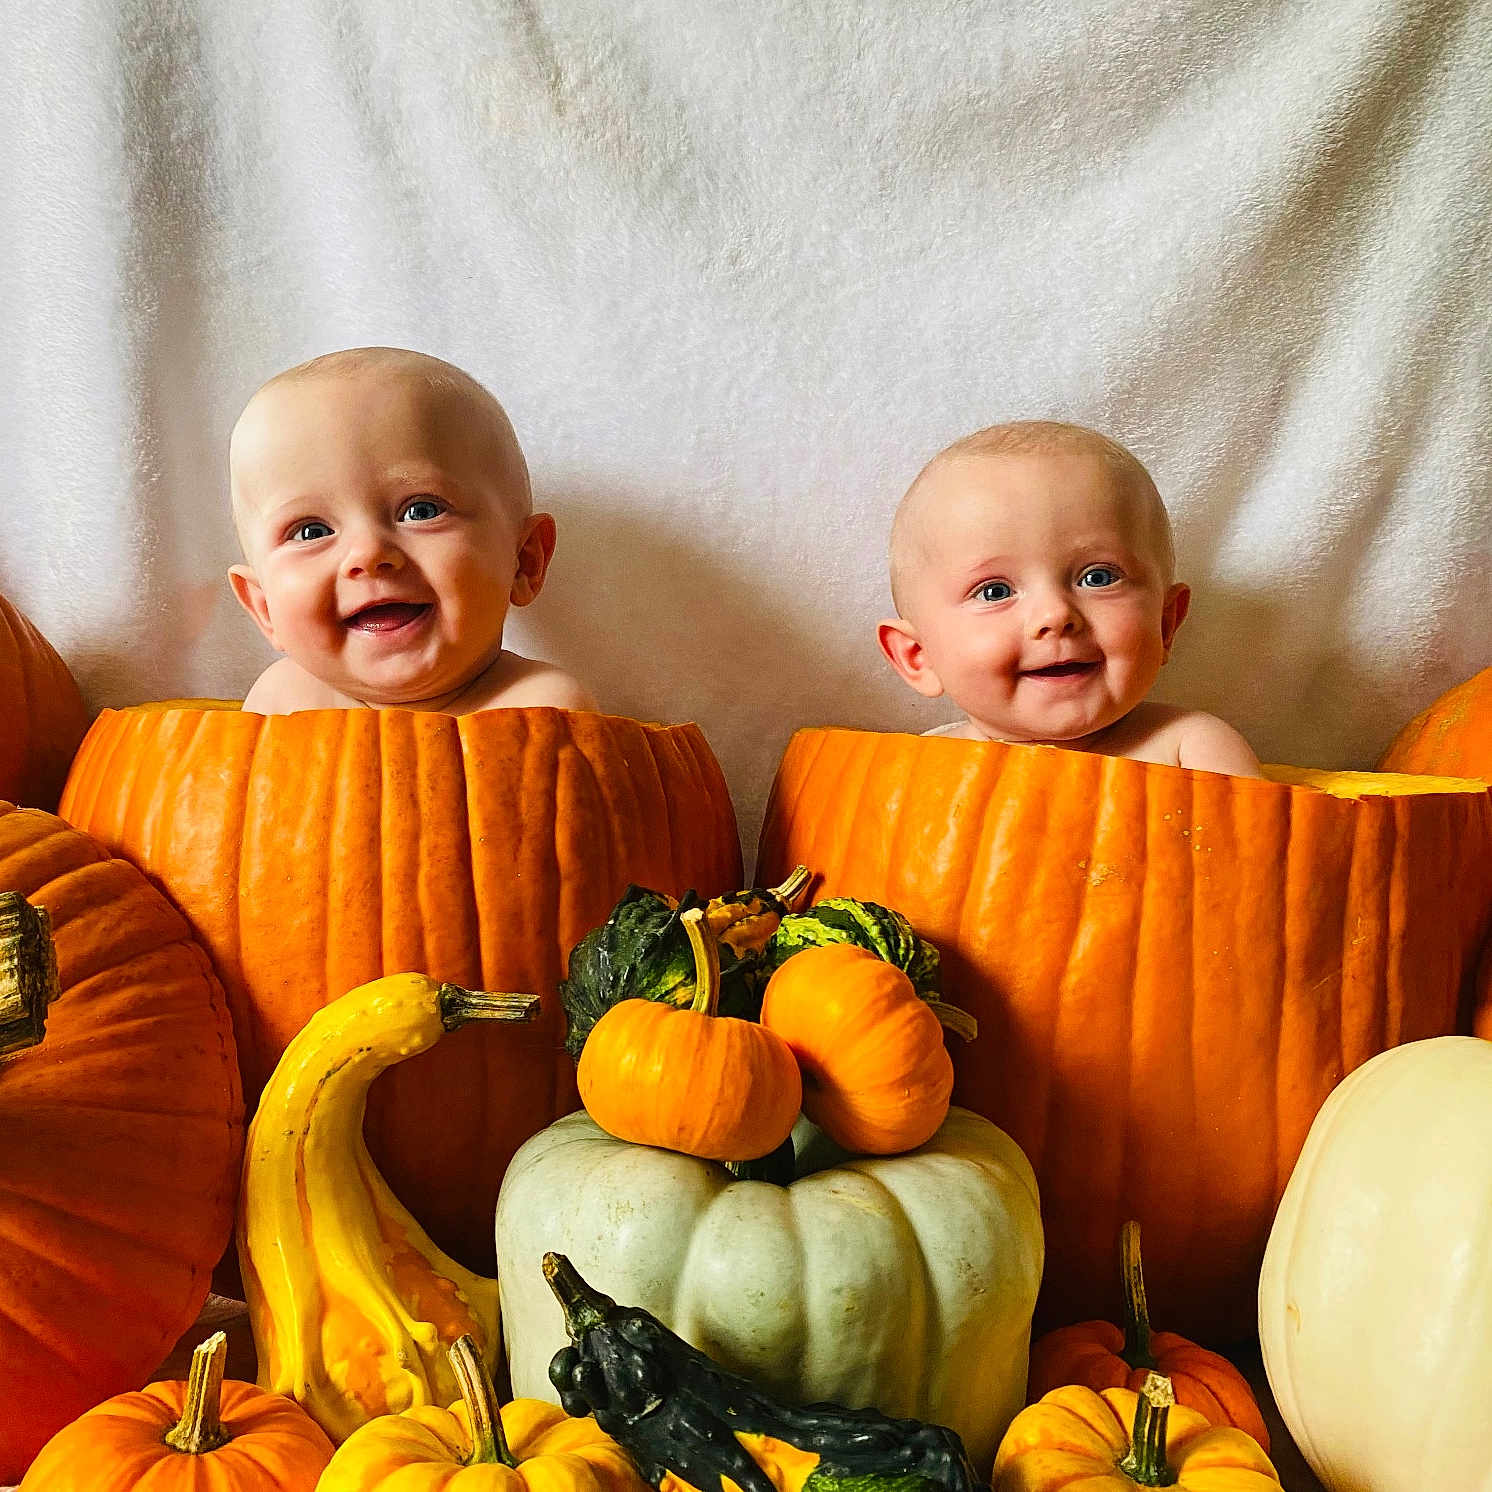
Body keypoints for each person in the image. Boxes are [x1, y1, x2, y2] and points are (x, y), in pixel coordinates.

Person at [876, 420, 1260, 776]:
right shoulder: (920, 769)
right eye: (995, 591)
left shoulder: (1192, 750)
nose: (1055, 614)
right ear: (918, 656)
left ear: (1165, 624)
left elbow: (1263, 847)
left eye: (1098, 577)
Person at [227, 346, 597, 715]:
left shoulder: (542, 710)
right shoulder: (279, 702)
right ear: (264, 608)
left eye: (421, 511)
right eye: (310, 531)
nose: (368, 553)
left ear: (523, 562)